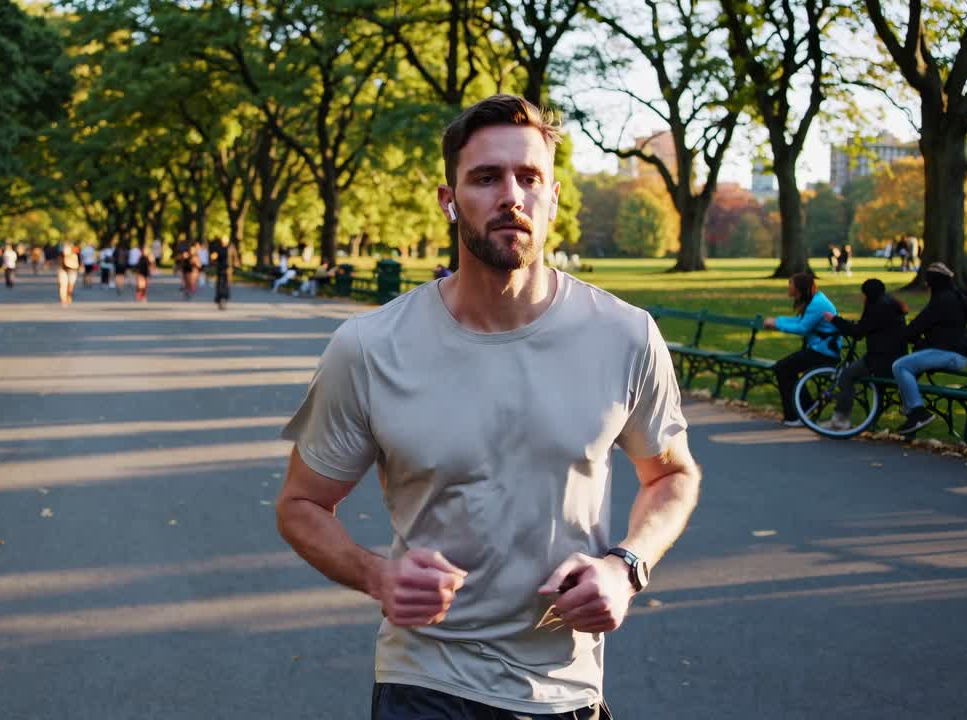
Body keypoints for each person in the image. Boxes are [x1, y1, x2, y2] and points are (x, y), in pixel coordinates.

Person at [276, 94, 699, 720]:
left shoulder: (626, 335)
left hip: (568, 689)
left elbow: (671, 475)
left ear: (553, 197)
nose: (511, 195)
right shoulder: (368, 347)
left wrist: (625, 567)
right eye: (485, 177)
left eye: (529, 178)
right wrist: (377, 576)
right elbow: (300, 503)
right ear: (449, 201)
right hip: (425, 683)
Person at [889, 262, 967, 434]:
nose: (927, 285)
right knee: (910, 363)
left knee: (901, 366)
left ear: (934, 282)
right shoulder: (954, 296)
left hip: (949, 355)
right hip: (955, 354)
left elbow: (914, 328)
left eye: (929, 282)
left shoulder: (942, 301)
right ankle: (912, 416)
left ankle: (918, 412)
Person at [820, 279, 908, 430]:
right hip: (895, 357)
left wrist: (835, 320)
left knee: (847, 376)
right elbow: (866, 327)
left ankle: (841, 419)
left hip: (881, 360)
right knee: (874, 386)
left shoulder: (877, 307)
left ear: (868, 294)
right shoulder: (890, 303)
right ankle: (871, 422)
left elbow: (857, 332)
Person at [763, 273, 842, 426]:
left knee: (783, 368)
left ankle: (796, 415)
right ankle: (803, 409)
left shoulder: (818, 303)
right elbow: (799, 320)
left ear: (799, 288)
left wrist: (776, 324)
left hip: (825, 354)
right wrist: (777, 320)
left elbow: (802, 328)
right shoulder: (814, 300)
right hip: (819, 350)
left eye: (790, 285)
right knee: (785, 368)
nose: (788, 288)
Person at [210, 236, 233, 310]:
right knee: (221, 285)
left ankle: (223, 299)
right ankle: (221, 299)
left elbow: (213, 257)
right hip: (221, 269)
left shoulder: (228, 248)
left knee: (224, 285)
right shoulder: (225, 248)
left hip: (225, 269)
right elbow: (213, 257)